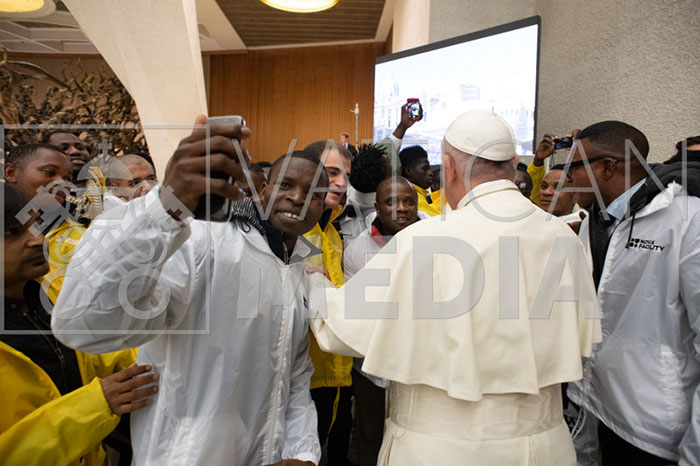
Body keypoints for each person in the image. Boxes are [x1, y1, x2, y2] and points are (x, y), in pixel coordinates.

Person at [307, 110, 601, 466]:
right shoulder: (565, 237)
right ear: (512, 165)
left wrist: (314, 282)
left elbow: (342, 330)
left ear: (450, 166)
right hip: (545, 447)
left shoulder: (422, 240)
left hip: (440, 448)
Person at [52, 117, 325, 466]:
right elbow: (84, 322)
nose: (299, 198)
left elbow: (295, 376)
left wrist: (301, 452)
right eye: (286, 184)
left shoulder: (296, 270)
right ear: (263, 189)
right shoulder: (203, 241)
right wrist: (165, 206)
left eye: (315, 194)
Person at [563, 121, 700, 466]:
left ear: (607, 167)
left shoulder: (687, 220)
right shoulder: (596, 220)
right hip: (601, 407)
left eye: (573, 167)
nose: (567, 177)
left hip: (658, 429)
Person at [0, 183, 154, 465]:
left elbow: (97, 356)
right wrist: (95, 405)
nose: (37, 240)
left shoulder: (48, 296)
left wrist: (155, 358)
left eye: (36, 225)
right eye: (12, 232)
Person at [343, 176, 419, 466]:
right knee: (370, 433)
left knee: (413, 437)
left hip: (418, 362)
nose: (402, 208)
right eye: (391, 202)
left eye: (409, 202)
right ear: (376, 207)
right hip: (371, 365)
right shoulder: (357, 249)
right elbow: (355, 312)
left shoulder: (435, 237)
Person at [301, 139, 355, 466]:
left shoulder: (333, 231)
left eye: (345, 176)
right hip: (301, 379)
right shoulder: (291, 230)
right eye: (332, 173)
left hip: (337, 373)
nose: (340, 183)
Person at [3, 143, 86, 305]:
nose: (62, 183)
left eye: (68, 179)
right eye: (49, 172)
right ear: (11, 172)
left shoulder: (82, 238)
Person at [341, 143, 392, 246]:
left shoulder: (342, 200)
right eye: (390, 167)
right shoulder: (392, 213)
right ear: (385, 180)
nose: (392, 169)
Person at [399, 145, 439, 216]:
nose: (431, 173)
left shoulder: (420, 195)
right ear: (409, 171)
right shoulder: (413, 198)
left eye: (429, 169)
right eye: (425, 169)